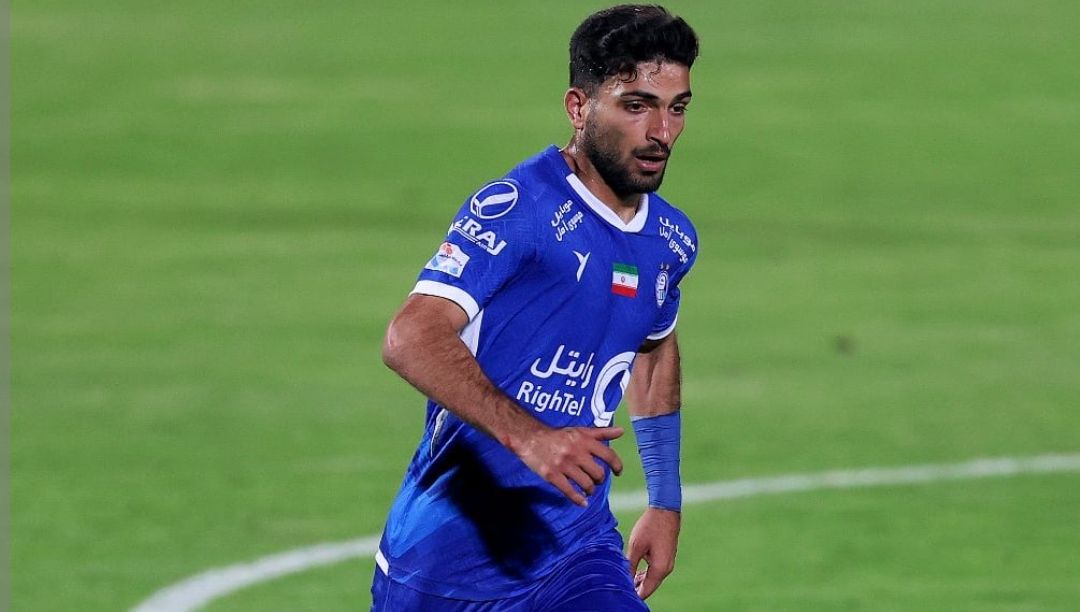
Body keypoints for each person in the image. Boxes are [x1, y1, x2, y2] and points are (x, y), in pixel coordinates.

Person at [372, 5, 700, 610]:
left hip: (578, 550)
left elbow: (652, 351)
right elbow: (409, 337)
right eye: (636, 106)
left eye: (676, 107)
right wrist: (533, 439)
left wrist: (665, 499)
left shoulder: (670, 240)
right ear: (579, 107)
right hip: (446, 563)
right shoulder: (521, 208)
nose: (662, 132)